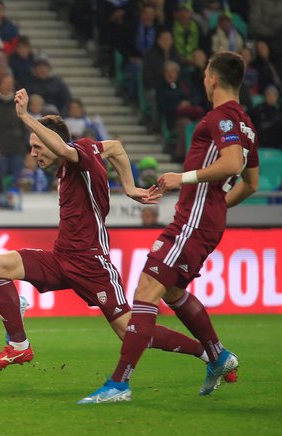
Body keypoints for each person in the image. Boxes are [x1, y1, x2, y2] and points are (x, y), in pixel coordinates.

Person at [0, 89, 212, 377]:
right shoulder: (71, 163)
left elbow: (71, 149)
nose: (33, 153)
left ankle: (207, 353)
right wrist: (128, 187)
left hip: (91, 264)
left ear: (55, 143)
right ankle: (18, 345)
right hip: (61, 258)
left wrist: (25, 116)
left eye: (38, 146)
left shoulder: (80, 155)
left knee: (130, 332)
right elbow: (115, 147)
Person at [80, 51, 259, 404]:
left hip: (193, 221)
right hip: (204, 219)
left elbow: (232, 162)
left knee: (146, 291)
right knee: (173, 292)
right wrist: (218, 206)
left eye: (206, 73)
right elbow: (250, 183)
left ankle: (119, 384)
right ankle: (218, 355)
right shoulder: (246, 124)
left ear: (213, 78)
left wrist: (183, 179)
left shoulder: (222, 118)